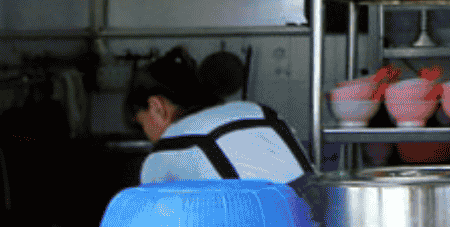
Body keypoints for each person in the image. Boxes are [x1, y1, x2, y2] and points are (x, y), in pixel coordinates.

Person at [127, 46, 312, 185]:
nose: (149, 138)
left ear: (156, 106)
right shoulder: (257, 111)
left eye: (142, 124)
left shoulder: (165, 151)